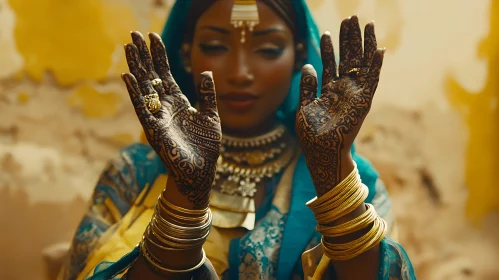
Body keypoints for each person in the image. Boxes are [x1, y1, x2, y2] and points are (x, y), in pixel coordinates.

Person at [58, 0, 416, 279]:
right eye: (215, 46)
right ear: (186, 53)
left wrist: (330, 173)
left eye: (268, 49)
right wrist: (184, 196)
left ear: (298, 58)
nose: (241, 72)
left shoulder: (355, 178)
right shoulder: (134, 174)